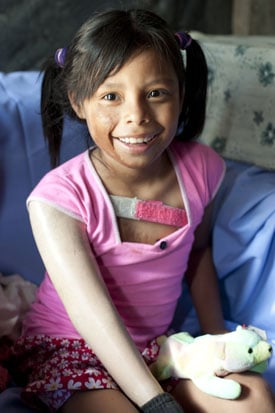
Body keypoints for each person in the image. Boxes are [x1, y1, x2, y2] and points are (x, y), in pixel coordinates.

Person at [12, 8, 275, 413]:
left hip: (159, 349)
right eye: (111, 96)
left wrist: (215, 341)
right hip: (72, 349)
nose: (137, 116)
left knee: (253, 400)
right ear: (79, 102)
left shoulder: (201, 168)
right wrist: (154, 402)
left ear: (180, 95)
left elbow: (198, 253)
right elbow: (88, 312)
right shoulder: (57, 199)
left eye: (156, 93)